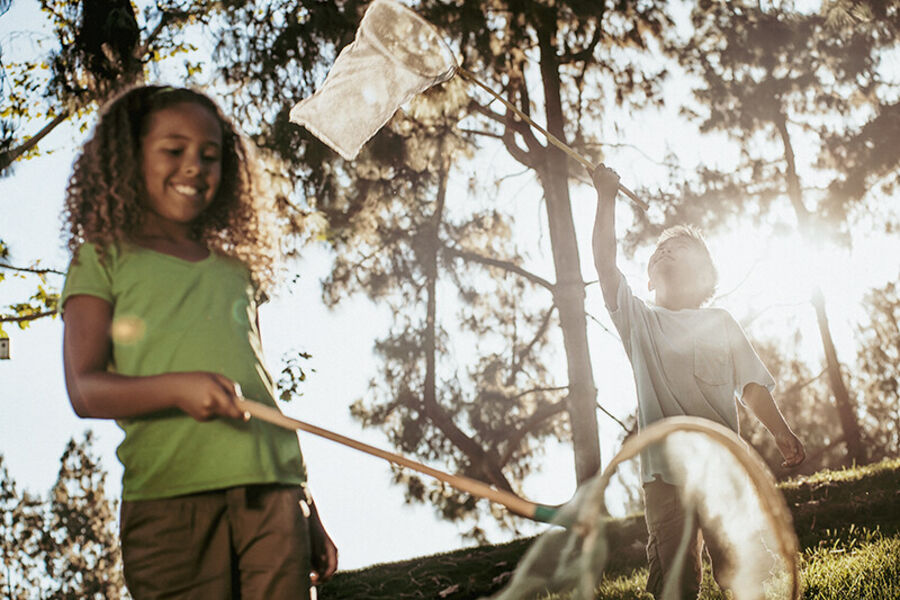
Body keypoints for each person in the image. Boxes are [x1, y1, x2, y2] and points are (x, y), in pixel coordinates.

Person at [59, 85, 338, 599]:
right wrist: (178, 389)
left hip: (273, 494)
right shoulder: (101, 259)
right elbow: (85, 389)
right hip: (169, 502)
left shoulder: (236, 270)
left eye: (210, 156)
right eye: (174, 150)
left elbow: (259, 387)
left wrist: (305, 502)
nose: (195, 166)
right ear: (128, 158)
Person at [590, 164, 805, 598]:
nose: (665, 250)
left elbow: (751, 387)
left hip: (722, 468)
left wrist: (780, 431)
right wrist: (606, 197)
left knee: (738, 568)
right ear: (648, 279)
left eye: (680, 246)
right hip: (664, 477)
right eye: (659, 250)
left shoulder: (719, 321)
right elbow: (605, 262)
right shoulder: (639, 322)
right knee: (674, 582)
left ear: (705, 275)